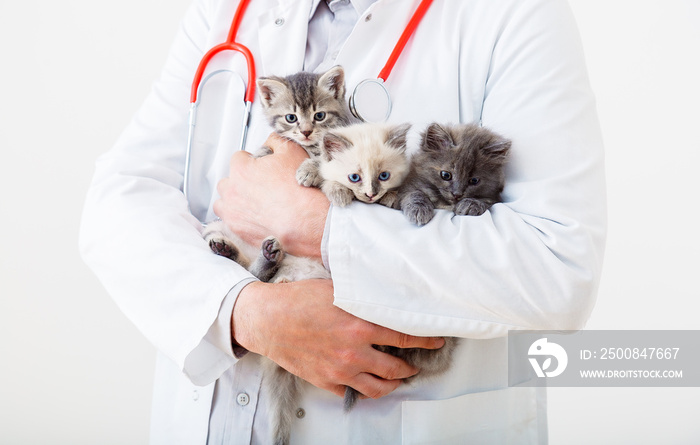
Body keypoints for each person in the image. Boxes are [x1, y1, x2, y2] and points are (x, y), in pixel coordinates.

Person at [79, 0, 606, 443]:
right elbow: (123, 197)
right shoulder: (225, 10)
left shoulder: (514, 14)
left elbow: (559, 270)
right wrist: (244, 313)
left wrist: (315, 223)